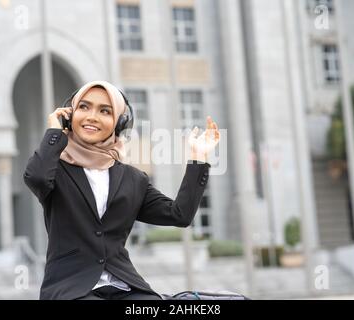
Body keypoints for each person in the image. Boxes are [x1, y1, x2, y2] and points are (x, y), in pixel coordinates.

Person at [23, 80, 220, 300]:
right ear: (69, 115)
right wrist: (54, 131)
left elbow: (180, 215)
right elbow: (36, 178)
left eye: (105, 111)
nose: (92, 116)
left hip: (125, 286)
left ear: (119, 123)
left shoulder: (133, 179)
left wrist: (198, 158)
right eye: (84, 107)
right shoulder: (54, 169)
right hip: (71, 288)